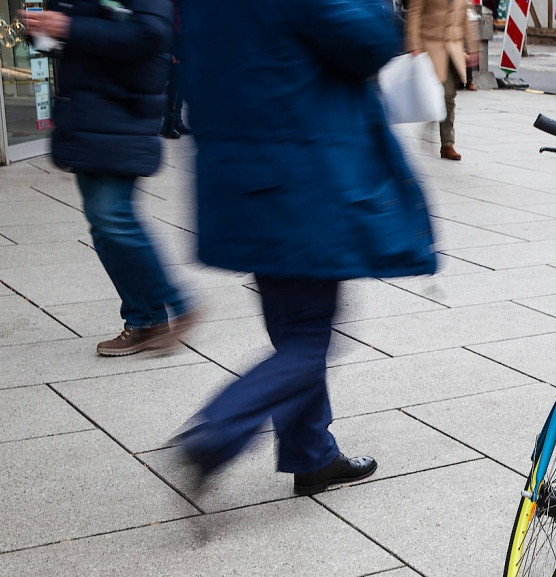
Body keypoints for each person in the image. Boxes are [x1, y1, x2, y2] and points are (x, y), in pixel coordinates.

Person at [176, 0, 438, 495]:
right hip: (300, 176)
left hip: (240, 173)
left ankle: (311, 454)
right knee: (310, 338)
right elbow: (367, 40)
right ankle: (220, 429)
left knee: (295, 325)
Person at [21, 0, 195, 358]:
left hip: (121, 110)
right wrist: (40, 30)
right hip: (87, 113)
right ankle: (145, 321)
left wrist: (68, 27)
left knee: (113, 218)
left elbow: (152, 32)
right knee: (104, 225)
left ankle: (179, 305)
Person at [407, 0, 480, 161]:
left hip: (454, 48)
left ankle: (447, 144)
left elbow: (467, 19)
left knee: (449, 95)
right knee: (441, 94)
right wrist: (414, 45)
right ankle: (437, 133)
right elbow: (415, 14)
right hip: (431, 45)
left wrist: (472, 49)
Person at [160, 0, 190, 139]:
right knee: (174, 84)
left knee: (180, 84)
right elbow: (171, 21)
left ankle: (177, 121)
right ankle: (168, 124)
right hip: (175, 44)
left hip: (183, 42)